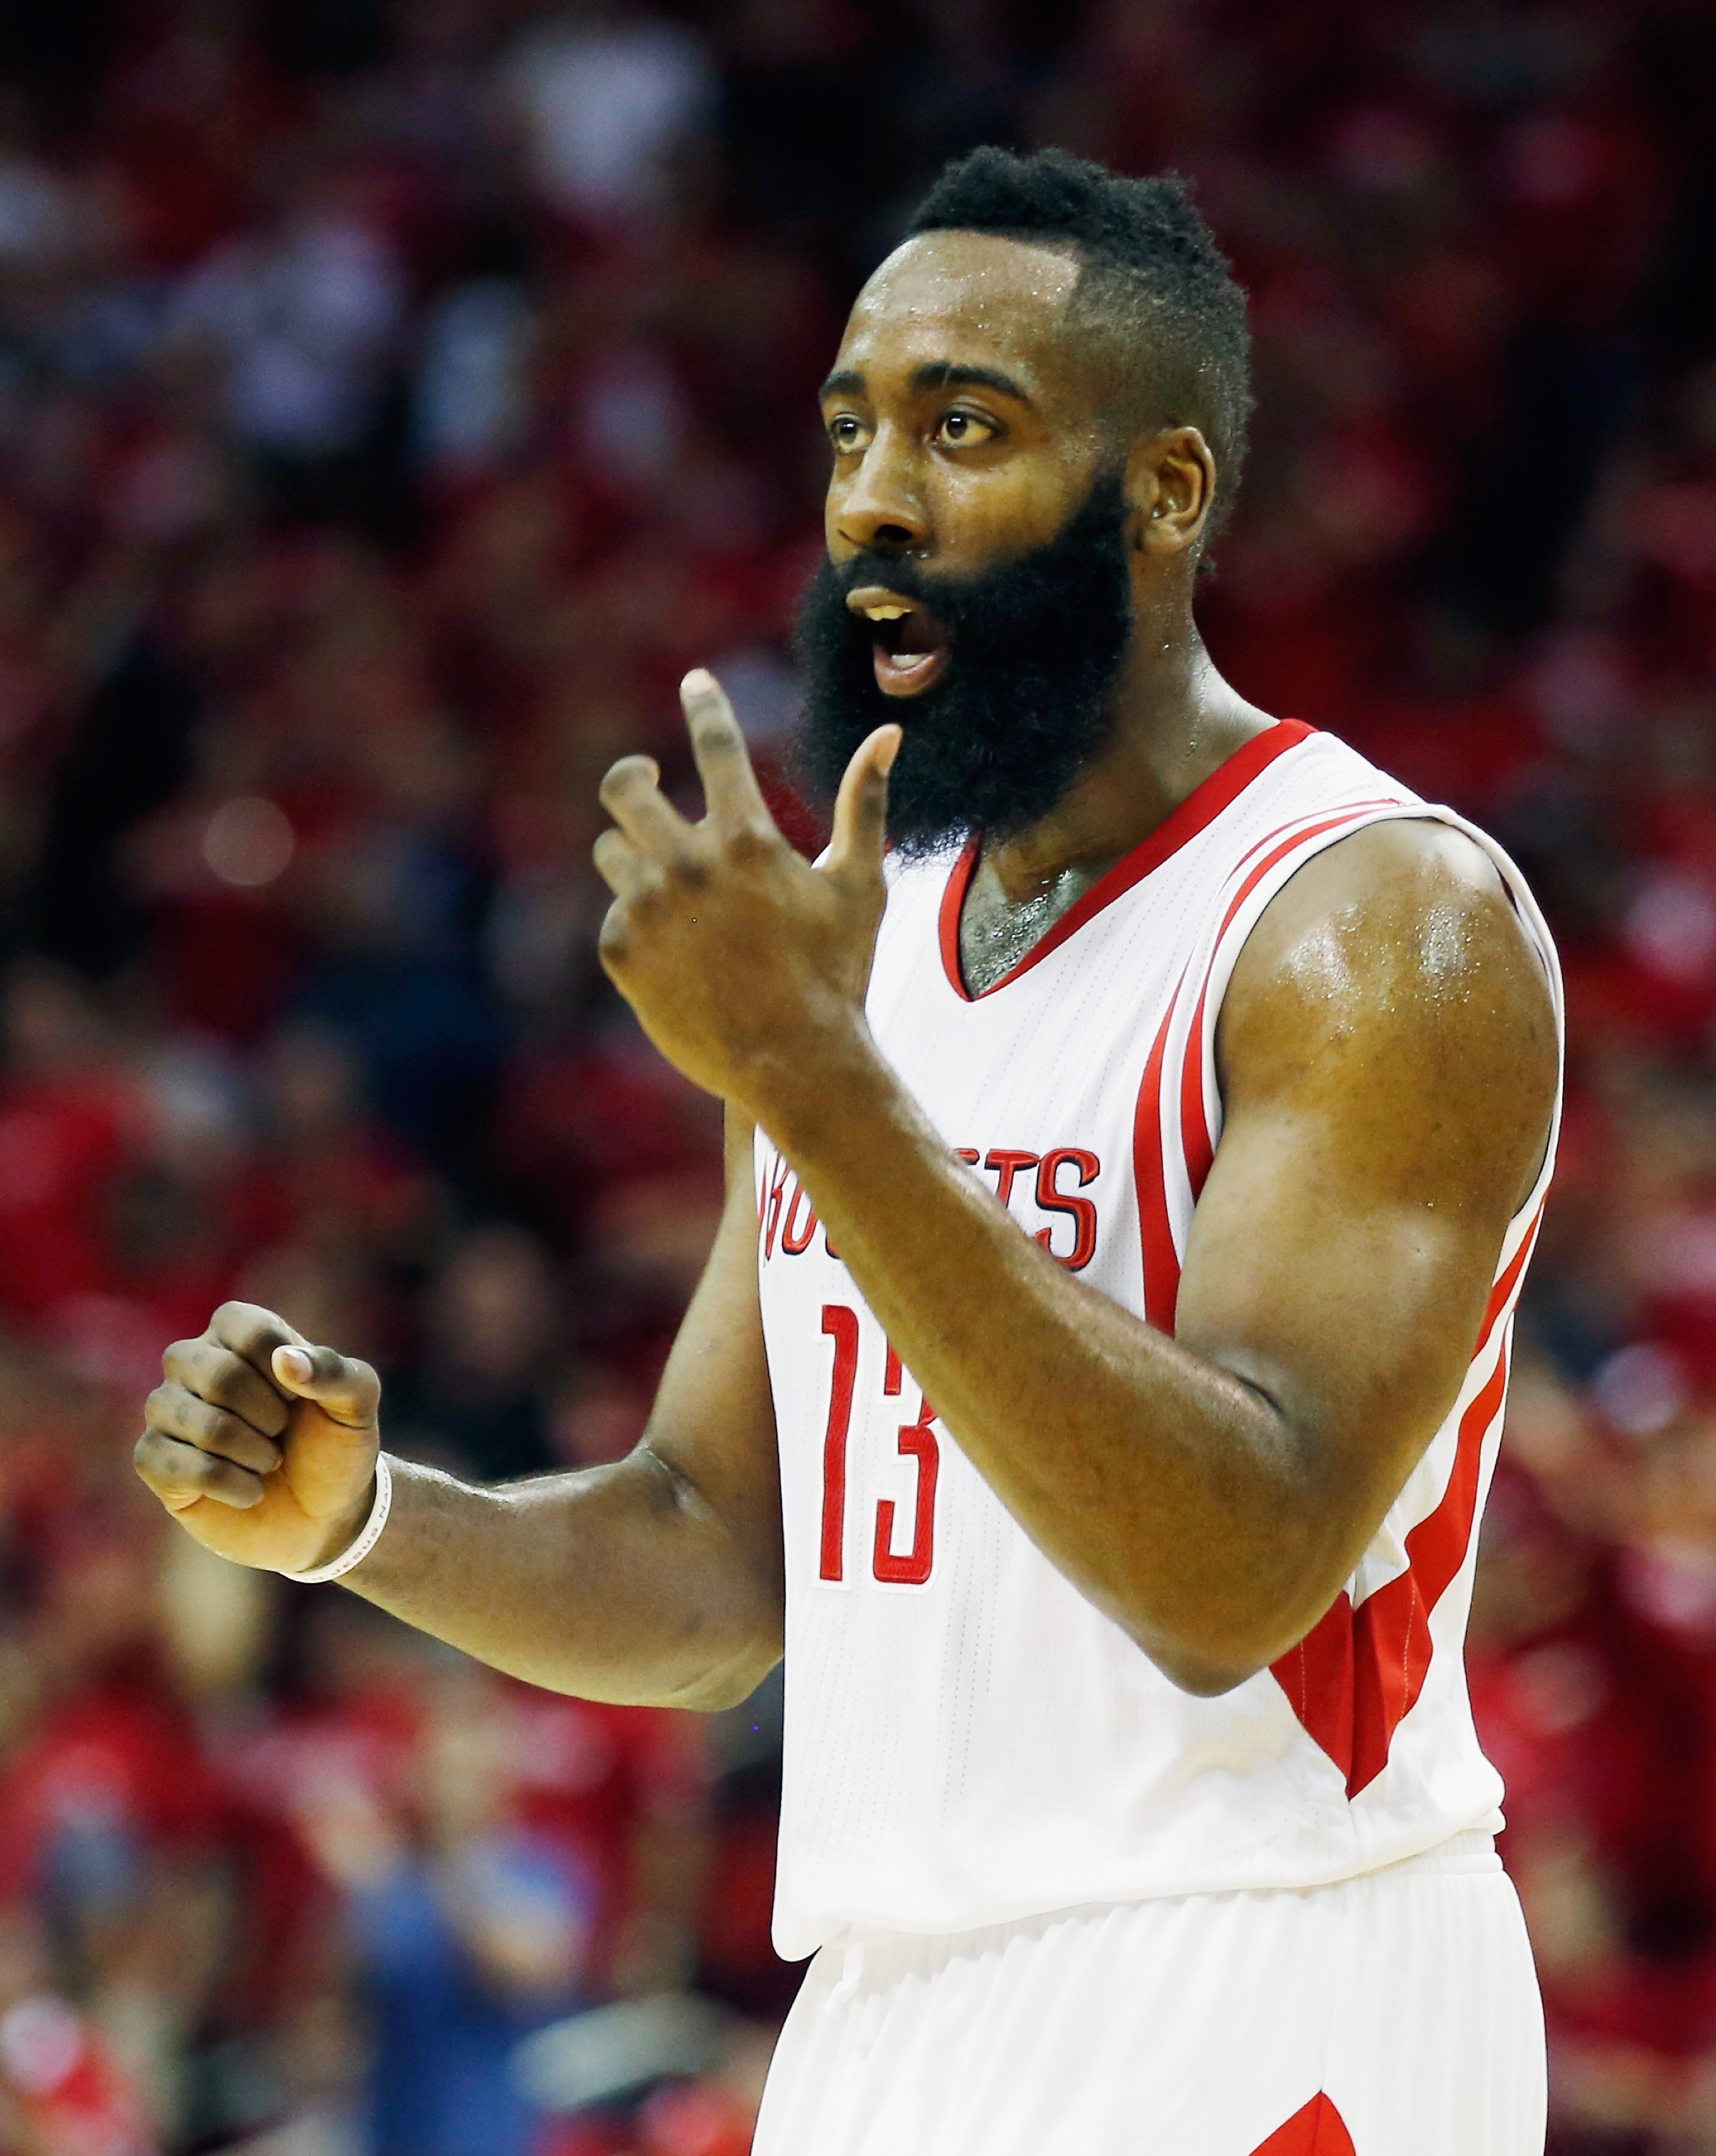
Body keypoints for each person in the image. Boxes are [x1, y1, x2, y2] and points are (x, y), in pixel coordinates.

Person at [134, 148, 1562, 2155]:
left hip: (1268, 1976)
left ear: (1163, 491)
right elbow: (716, 1569)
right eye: (849, 430)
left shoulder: (1368, 919)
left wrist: (808, 1080)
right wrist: (365, 1525)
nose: (872, 497)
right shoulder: (857, 940)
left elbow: (1235, 1570)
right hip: (889, 2011)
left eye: (960, 427)